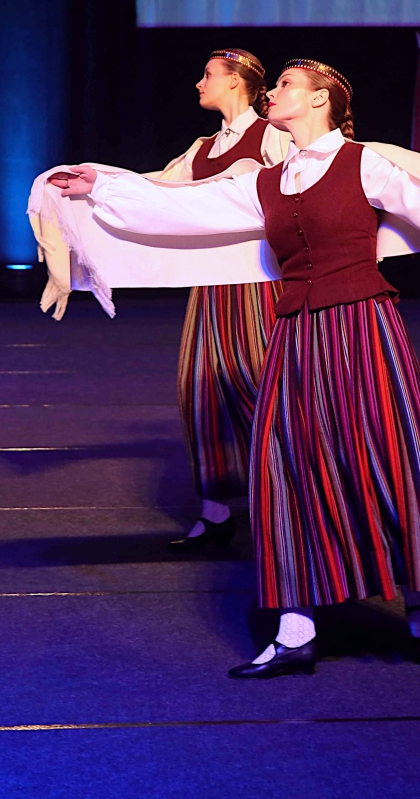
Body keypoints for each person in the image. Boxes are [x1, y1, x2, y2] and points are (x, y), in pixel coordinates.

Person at [51, 58, 420, 678]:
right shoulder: (264, 182)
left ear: (321, 100)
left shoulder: (366, 163)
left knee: (386, 454)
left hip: (363, 328)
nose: (274, 92)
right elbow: (179, 208)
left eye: (287, 84)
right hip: (295, 334)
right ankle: (296, 631)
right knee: (283, 467)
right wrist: (100, 187)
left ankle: (419, 598)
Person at [145, 49, 287, 550]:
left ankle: (291, 501)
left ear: (235, 82)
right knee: (199, 387)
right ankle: (216, 512)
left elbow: (296, 190)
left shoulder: (271, 135)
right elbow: (157, 191)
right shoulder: (202, 147)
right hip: (209, 283)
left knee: (261, 384)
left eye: (208, 75)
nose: (199, 83)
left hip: (257, 280)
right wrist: (93, 187)